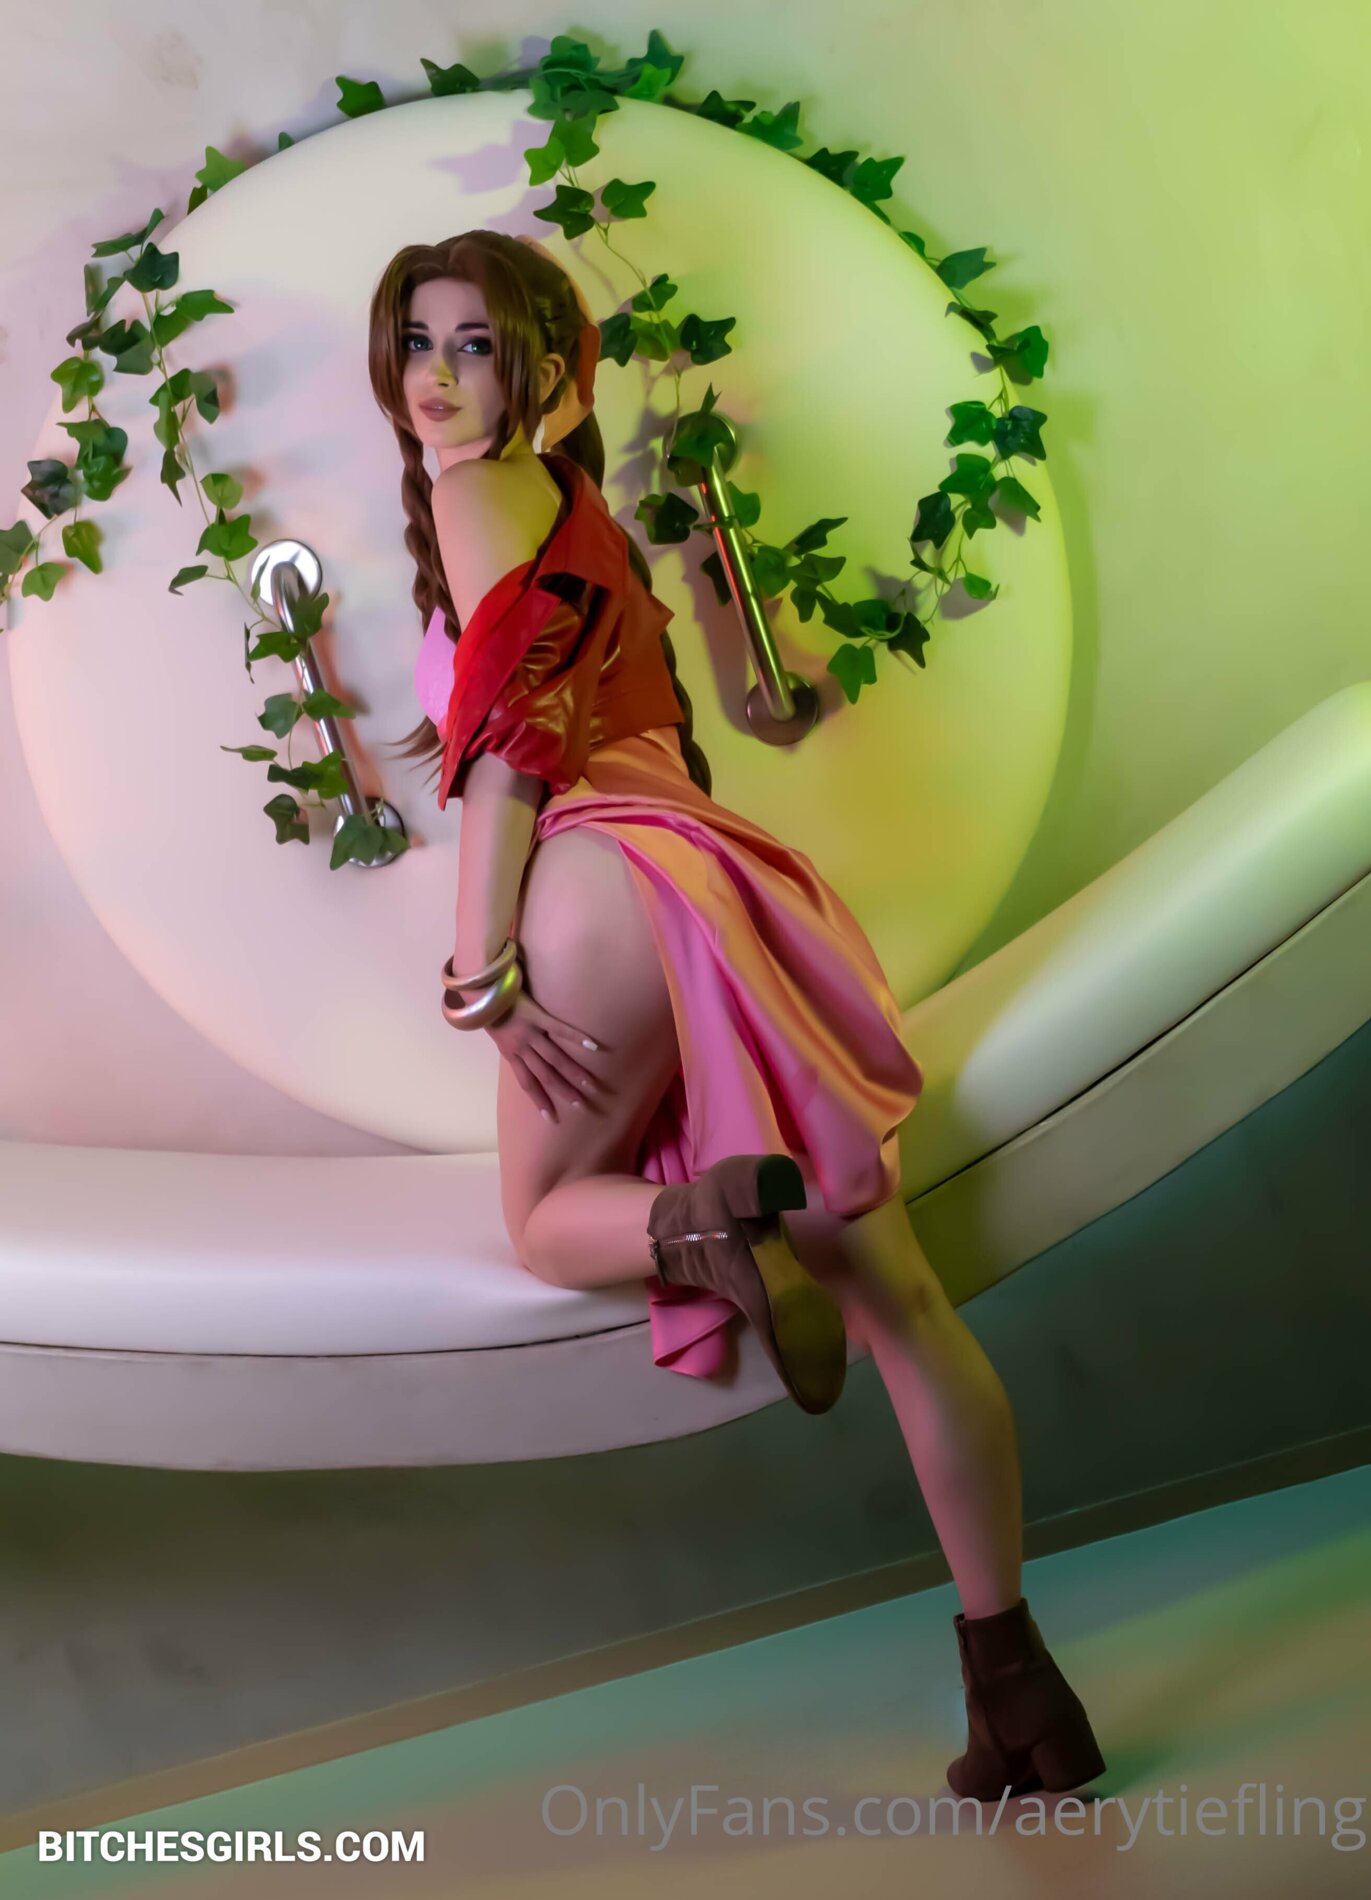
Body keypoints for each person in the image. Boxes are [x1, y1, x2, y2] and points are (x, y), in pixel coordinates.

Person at [367, 229, 1106, 1800]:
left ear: (545, 366)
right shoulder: (577, 514)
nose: (438, 377)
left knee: (546, 1218)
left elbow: (512, 740)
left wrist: (480, 969)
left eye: (477, 344)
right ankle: (1019, 1684)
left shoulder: (481, 494)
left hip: (587, 876)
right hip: (712, 875)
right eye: (420, 342)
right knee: (903, 1300)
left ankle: (703, 1227)